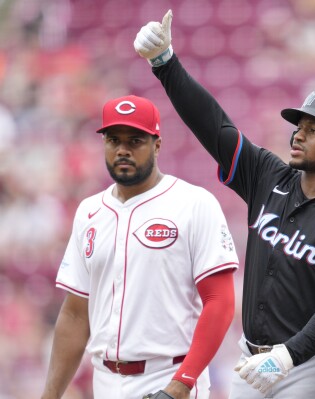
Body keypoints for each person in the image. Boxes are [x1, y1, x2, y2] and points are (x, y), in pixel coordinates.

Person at [133, 10, 315, 399]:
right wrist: (165, 63)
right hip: (250, 361)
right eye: (298, 127)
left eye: (312, 130)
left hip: (311, 366)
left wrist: (288, 356)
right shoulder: (270, 177)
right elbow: (214, 127)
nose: (297, 136)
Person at [40, 95, 239, 399]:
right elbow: (76, 314)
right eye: (113, 140)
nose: (123, 149)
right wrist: (50, 395)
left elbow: (220, 301)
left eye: (135, 140)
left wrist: (181, 383)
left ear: (156, 144)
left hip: (169, 376)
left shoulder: (194, 204)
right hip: (105, 380)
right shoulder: (89, 211)